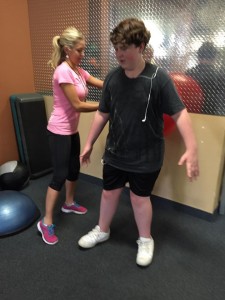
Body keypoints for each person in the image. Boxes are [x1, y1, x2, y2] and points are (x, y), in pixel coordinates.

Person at [78, 18, 199, 267]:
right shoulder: (112, 78)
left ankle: (145, 239)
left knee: (138, 198)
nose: (118, 54)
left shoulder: (159, 78)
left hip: (147, 155)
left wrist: (192, 148)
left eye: (124, 48)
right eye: (116, 48)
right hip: (115, 152)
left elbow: (179, 113)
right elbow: (103, 112)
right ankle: (102, 229)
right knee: (109, 192)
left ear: (141, 46)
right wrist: (89, 142)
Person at [37, 27, 103, 245]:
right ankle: (46, 222)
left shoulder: (78, 70)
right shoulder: (63, 71)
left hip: (71, 130)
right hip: (58, 130)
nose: (83, 54)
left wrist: (120, 81)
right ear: (67, 49)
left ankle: (69, 202)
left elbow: (99, 83)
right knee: (60, 175)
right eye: (80, 50)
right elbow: (77, 105)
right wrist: (105, 105)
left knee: (74, 170)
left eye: (84, 50)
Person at [186, 42, 223, 114]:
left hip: (191, 114)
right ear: (214, 58)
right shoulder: (219, 76)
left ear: (198, 57)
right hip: (212, 116)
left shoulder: (189, 74)